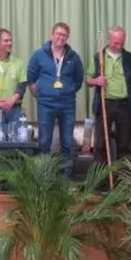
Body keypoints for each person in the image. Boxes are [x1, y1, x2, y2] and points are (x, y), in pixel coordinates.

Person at [27, 22, 85, 177]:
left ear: (67, 38)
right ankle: (44, 176)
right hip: (46, 104)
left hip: (67, 105)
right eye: (58, 34)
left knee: (67, 142)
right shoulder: (39, 55)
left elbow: (79, 79)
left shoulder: (74, 57)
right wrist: (40, 95)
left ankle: (66, 177)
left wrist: (69, 91)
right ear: (52, 35)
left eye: (64, 35)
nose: (61, 37)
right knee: (45, 141)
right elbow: (31, 78)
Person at [86, 26, 131, 162]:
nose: (119, 46)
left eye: (122, 43)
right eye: (116, 42)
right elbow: (88, 79)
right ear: (109, 40)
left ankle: (120, 179)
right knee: (100, 143)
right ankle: (101, 179)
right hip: (105, 104)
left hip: (125, 104)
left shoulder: (129, 58)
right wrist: (96, 81)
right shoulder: (98, 57)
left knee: (124, 143)